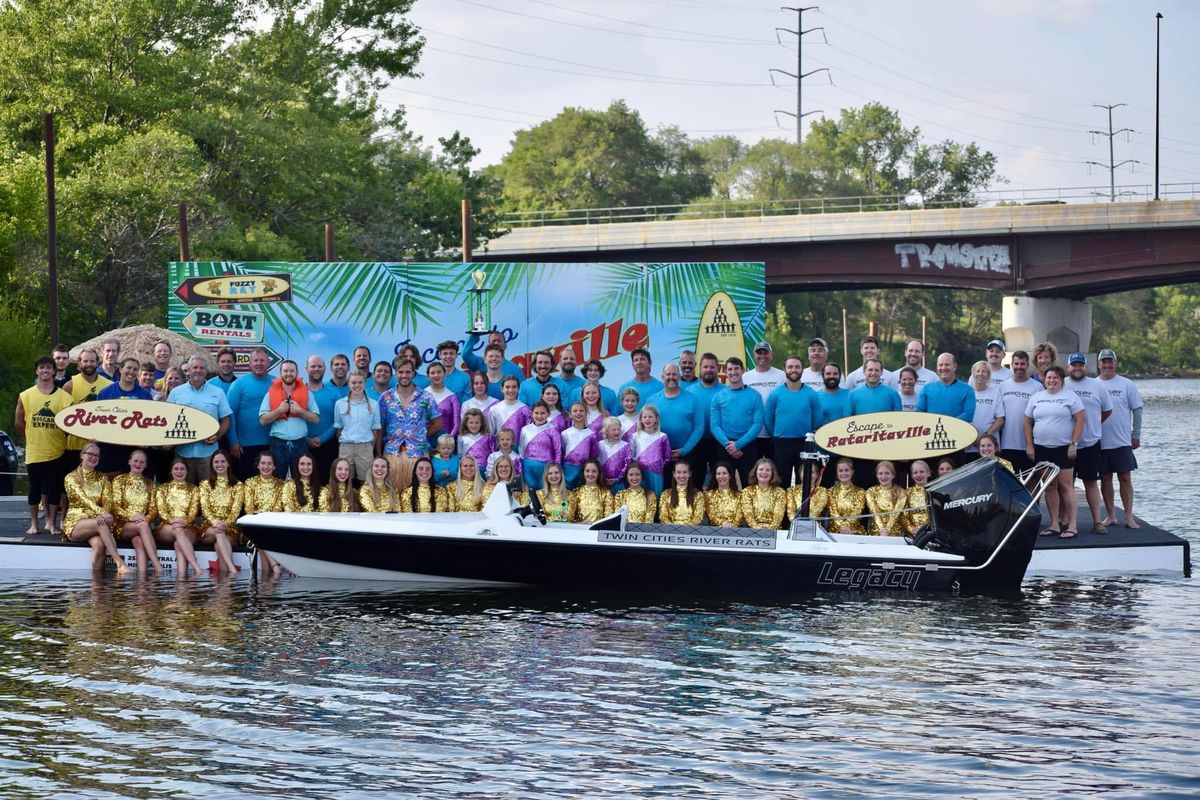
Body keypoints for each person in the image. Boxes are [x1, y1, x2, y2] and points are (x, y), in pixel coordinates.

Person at [1024, 365, 1085, 539]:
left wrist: (1074, 443)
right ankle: (1054, 524)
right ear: (1044, 380)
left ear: (1061, 380)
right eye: (1049, 378)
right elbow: (1027, 421)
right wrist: (1030, 445)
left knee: (1066, 486)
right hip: (1042, 448)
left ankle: (1072, 525)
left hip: (1064, 448)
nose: (1051, 381)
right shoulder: (1036, 398)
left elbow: (1080, 420)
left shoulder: (1070, 397)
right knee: (1050, 486)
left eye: (1055, 378)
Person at [15, 356, 72, 535]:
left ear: (54, 371)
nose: (45, 370)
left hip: (57, 450)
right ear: (36, 371)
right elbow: (19, 422)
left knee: (54, 488)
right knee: (34, 489)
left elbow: (69, 425)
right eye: (42, 368)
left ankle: (52, 523)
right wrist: (31, 437)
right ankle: (34, 524)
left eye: (49, 368)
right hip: (34, 450)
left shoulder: (65, 397)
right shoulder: (26, 395)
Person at [63, 443, 132, 575]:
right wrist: (103, 513)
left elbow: (108, 500)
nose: (94, 458)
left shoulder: (103, 478)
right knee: (100, 524)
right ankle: (120, 563)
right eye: (91, 454)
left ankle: (97, 587)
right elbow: (84, 499)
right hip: (76, 522)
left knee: (99, 544)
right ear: (82, 455)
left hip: (97, 520)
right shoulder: (71, 478)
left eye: (97, 456)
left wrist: (104, 513)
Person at [1065, 352, 1113, 534]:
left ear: (1085, 367)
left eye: (1080, 365)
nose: (1077, 368)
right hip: (1066, 443)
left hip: (1090, 442)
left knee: (1091, 482)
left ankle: (1097, 521)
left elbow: (1107, 411)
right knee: (1066, 484)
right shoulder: (1062, 384)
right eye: (1074, 365)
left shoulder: (1097, 386)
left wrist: (1092, 424)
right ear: (1068, 367)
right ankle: (1066, 521)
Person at [1097, 349, 1143, 529]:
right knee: (1105, 479)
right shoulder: (1093, 384)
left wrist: (1136, 434)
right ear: (1099, 364)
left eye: (1110, 362)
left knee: (1125, 478)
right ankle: (1110, 516)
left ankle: (1129, 517)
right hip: (1099, 441)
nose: (1107, 365)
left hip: (1122, 441)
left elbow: (1137, 410)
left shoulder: (1127, 384)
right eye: (1104, 362)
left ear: (1116, 363)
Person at [379, 360, 442, 493]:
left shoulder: (425, 396)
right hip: (392, 453)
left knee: (418, 493)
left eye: (408, 372)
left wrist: (420, 434)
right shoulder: (386, 397)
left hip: (418, 453)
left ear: (413, 373)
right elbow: (379, 427)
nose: (404, 375)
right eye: (401, 372)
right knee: (392, 492)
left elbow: (438, 424)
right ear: (396, 373)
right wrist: (378, 454)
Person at [169, 355, 233, 482]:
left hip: (208, 454)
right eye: (195, 367)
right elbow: (168, 419)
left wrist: (218, 436)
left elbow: (226, 420)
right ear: (189, 370)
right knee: (185, 494)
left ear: (206, 371)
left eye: (202, 368)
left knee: (208, 493)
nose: (198, 370)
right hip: (183, 453)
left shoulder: (218, 392)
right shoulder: (176, 393)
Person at [764, 355, 822, 488]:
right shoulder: (775, 393)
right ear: (784, 369)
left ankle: (802, 509)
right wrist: (775, 434)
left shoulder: (811, 394)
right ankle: (782, 509)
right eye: (790, 367)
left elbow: (817, 419)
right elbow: (768, 418)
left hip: (804, 442)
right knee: (781, 480)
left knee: (803, 481)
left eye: (797, 366)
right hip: (781, 443)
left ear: (802, 369)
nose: (793, 370)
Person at [258, 359, 319, 479]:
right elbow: (262, 420)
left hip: (300, 443)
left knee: (302, 480)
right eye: (285, 371)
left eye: (292, 371)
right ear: (280, 373)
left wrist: (300, 411)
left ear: (297, 373)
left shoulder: (307, 393)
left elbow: (316, 419)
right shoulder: (270, 394)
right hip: (278, 444)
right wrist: (279, 410)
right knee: (276, 480)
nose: (288, 373)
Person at [61, 348, 112, 490]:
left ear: (97, 363)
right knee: (72, 486)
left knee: (98, 486)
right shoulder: (69, 385)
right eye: (85, 361)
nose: (89, 364)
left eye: (92, 361)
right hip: (75, 446)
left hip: (101, 445)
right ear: (79, 364)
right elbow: (62, 417)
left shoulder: (108, 385)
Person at [709, 357, 764, 486]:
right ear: (726, 372)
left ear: (743, 370)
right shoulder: (718, 397)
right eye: (730, 369)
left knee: (750, 486)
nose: (733, 372)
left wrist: (738, 445)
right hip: (725, 446)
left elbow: (757, 424)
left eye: (736, 369)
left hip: (747, 446)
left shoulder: (755, 395)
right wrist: (729, 446)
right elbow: (715, 426)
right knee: (724, 486)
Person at [108, 449, 163, 576]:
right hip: (121, 526)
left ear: (146, 465)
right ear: (129, 462)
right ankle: (157, 567)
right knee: (143, 526)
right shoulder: (119, 480)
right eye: (135, 461)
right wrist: (132, 517)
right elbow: (115, 507)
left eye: (142, 462)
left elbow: (154, 509)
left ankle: (142, 582)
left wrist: (146, 518)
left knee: (139, 541)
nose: (138, 464)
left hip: (141, 527)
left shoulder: (150, 484)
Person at [95, 357, 154, 475]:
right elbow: (96, 420)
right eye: (129, 368)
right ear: (120, 369)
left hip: (134, 449)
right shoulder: (106, 393)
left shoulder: (145, 395)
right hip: (109, 448)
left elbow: (150, 423)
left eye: (135, 369)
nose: (131, 372)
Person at [226, 347, 276, 480]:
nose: (259, 363)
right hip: (243, 446)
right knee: (245, 484)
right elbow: (230, 414)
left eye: (262, 360)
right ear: (250, 363)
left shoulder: (277, 383)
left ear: (268, 363)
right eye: (255, 360)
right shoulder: (238, 385)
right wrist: (233, 441)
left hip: (272, 444)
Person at [645, 364, 704, 472]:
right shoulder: (651, 401)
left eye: (674, 374)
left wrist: (685, 450)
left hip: (687, 453)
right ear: (662, 377)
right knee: (664, 488)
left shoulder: (693, 399)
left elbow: (699, 428)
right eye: (668, 374)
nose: (671, 377)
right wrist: (663, 451)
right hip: (660, 455)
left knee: (687, 488)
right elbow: (645, 428)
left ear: (679, 377)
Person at [154, 456, 203, 576]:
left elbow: (193, 513)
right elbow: (162, 512)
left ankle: (181, 582)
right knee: (177, 529)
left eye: (182, 469)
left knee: (178, 542)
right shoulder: (162, 489)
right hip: (166, 528)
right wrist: (173, 521)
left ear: (187, 471)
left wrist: (184, 522)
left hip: (188, 527)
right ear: (171, 471)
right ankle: (197, 568)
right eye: (176, 469)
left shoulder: (194, 490)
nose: (179, 471)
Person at [198, 450, 243, 576]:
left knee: (220, 545)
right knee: (219, 531)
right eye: (216, 462)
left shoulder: (238, 485)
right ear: (212, 464)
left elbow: (235, 510)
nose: (220, 464)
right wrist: (216, 522)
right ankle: (232, 568)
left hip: (229, 529)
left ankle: (224, 587)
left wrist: (225, 523)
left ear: (228, 464)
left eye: (223, 461)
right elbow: (205, 509)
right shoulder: (205, 484)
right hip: (209, 528)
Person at [685, 352, 727, 489]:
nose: (708, 370)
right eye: (705, 367)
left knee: (719, 478)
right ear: (700, 369)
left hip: (719, 442)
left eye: (712, 367)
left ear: (718, 369)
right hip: (696, 442)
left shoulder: (726, 391)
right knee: (696, 477)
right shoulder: (689, 391)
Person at [242, 451, 286, 575]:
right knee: (259, 535)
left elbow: (279, 508)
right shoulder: (250, 483)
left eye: (269, 463)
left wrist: (267, 524)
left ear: (274, 466)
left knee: (261, 538)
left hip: (273, 527)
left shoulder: (282, 485)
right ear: (258, 465)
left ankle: (266, 581)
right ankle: (274, 567)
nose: (266, 467)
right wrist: (260, 523)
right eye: (263, 463)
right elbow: (249, 509)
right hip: (254, 527)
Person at [333, 372, 380, 486]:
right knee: (343, 481)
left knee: (366, 482)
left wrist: (369, 447)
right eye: (353, 382)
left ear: (365, 384)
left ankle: (364, 503)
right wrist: (344, 443)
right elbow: (338, 428)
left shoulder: (373, 404)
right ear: (348, 383)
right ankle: (346, 503)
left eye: (360, 382)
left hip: (365, 448)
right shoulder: (340, 404)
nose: (357, 385)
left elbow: (375, 429)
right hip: (346, 447)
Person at [996, 350, 1039, 473]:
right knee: (1008, 482)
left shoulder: (1037, 387)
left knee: (1030, 482)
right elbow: (998, 416)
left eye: (1022, 364)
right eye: (1016, 364)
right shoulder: (1003, 386)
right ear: (1012, 364)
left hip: (1028, 445)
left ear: (1027, 365)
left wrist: (1031, 444)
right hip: (1005, 445)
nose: (1019, 367)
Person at [744, 342, 785, 460]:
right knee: (752, 472)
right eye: (759, 353)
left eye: (765, 353)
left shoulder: (781, 376)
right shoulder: (745, 377)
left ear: (771, 355)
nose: (762, 356)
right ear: (754, 355)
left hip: (775, 433)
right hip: (752, 434)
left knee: (775, 471)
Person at [305, 355, 342, 482]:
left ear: (325, 369)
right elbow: (293, 420)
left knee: (327, 485)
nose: (316, 369)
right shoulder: (298, 392)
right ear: (306, 368)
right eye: (313, 366)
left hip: (328, 447)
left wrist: (322, 439)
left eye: (319, 366)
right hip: (303, 447)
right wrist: (306, 440)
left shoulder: (334, 393)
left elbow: (338, 421)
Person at [916, 353, 975, 424]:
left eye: (947, 365)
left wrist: (947, 424)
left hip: (957, 432)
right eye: (940, 365)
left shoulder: (967, 390)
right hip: (932, 431)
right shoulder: (927, 389)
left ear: (955, 367)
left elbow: (968, 415)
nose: (943, 368)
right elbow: (919, 412)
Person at [630, 404, 672, 497]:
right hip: (640, 473)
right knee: (641, 496)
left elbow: (667, 456)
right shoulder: (635, 436)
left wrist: (657, 465)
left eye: (650, 417)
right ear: (641, 419)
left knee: (656, 495)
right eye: (644, 417)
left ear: (656, 418)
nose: (647, 419)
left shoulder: (662, 436)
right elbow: (632, 455)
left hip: (656, 473)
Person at [519, 401, 562, 491]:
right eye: (536, 413)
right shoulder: (525, 429)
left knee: (544, 492)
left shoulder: (553, 430)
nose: (539, 416)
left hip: (546, 467)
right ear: (531, 413)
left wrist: (556, 468)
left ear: (548, 414)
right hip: (528, 466)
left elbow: (558, 451)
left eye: (542, 413)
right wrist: (521, 466)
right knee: (531, 493)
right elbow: (521, 449)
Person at [966, 360, 1002, 458]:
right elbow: (963, 419)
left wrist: (985, 437)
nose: (980, 374)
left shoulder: (995, 393)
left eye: (983, 371)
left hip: (989, 448)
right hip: (969, 446)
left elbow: (1000, 420)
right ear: (973, 374)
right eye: (978, 371)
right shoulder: (966, 393)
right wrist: (975, 437)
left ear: (988, 375)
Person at [740, 457, 786, 530]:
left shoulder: (780, 492)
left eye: (768, 470)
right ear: (755, 472)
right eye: (761, 469)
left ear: (772, 473)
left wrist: (770, 529)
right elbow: (748, 514)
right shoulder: (747, 491)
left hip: (774, 532)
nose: (764, 472)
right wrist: (757, 529)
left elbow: (778, 515)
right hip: (752, 531)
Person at [865, 460, 907, 536]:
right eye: (880, 473)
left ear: (893, 475)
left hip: (895, 533)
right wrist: (882, 529)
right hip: (875, 532)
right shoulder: (870, 492)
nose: (883, 476)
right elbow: (874, 512)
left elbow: (896, 513)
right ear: (877, 475)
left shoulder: (901, 492)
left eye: (887, 473)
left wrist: (887, 530)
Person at [486, 376, 531, 445]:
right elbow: (491, 434)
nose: (510, 390)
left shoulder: (525, 409)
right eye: (507, 387)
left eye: (514, 387)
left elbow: (528, 435)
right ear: (502, 389)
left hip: (518, 451)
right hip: (500, 451)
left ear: (518, 389)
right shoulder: (494, 409)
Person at [561, 403, 597, 488]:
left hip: (584, 471)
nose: (578, 413)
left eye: (581, 411)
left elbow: (594, 455)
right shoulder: (565, 433)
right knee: (567, 496)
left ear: (586, 413)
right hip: (568, 470)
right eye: (575, 411)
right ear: (570, 414)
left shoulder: (591, 434)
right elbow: (562, 452)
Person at [615, 348, 663, 412]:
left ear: (650, 363)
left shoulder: (661, 387)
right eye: (636, 360)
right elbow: (618, 415)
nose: (639, 362)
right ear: (632, 365)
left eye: (642, 359)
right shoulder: (624, 388)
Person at [826, 458, 866, 534]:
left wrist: (847, 526)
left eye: (846, 470)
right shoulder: (830, 491)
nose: (843, 473)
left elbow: (857, 512)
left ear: (852, 472)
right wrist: (843, 526)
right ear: (837, 473)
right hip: (834, 533)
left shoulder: (860, 492)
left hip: (854, 532)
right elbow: (833, 512)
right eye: (840, 471)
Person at [425, 362, 461, 444]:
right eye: (432, 373)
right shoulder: (422, 395)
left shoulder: (452, 397)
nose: (436, 375)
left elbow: (456, 423)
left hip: (445, 445)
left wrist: (448, 441)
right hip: (425, 441)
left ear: (444, 374)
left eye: (439, 372)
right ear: (428, 376)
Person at [597, 416, 632, 491]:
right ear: (606, 431)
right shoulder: (600, 445)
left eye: (619, 429)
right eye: (613, 430)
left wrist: (618, 479)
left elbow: (627, 464)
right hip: (602, 483)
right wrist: (602, 477)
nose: (617, 432)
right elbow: (597, 463)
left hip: (619, 484)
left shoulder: (625, 446)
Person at [705, 462, 744, 527]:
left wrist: (732, 525)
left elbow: (740, 515)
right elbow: (711, 515)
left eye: (724, 473)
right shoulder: (708, 495)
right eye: (718, 474)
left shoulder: (739, 495)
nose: (721, 476)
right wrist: (722, 524)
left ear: (730, 475)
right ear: (715, 476)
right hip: (714, 532)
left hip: (736, 532)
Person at [457, 409, 495, 476]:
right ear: (466, 423)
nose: (474, 425)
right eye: (471, 423)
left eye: (477, 423)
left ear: (481, 423)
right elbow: (460, 456)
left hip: (485, 471)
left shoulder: (488, 437)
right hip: (468, 472)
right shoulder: (462, 438)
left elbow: (493, 454)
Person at [902, 461, 932, 535]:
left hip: (933, 534)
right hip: (914, 536)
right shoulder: (907, 493)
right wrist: (911, 529)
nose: (918, 475)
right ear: (912, 476)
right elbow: (903, 516)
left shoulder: (935, 491)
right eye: (915, 473)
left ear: (928, 473)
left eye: (921, 472)